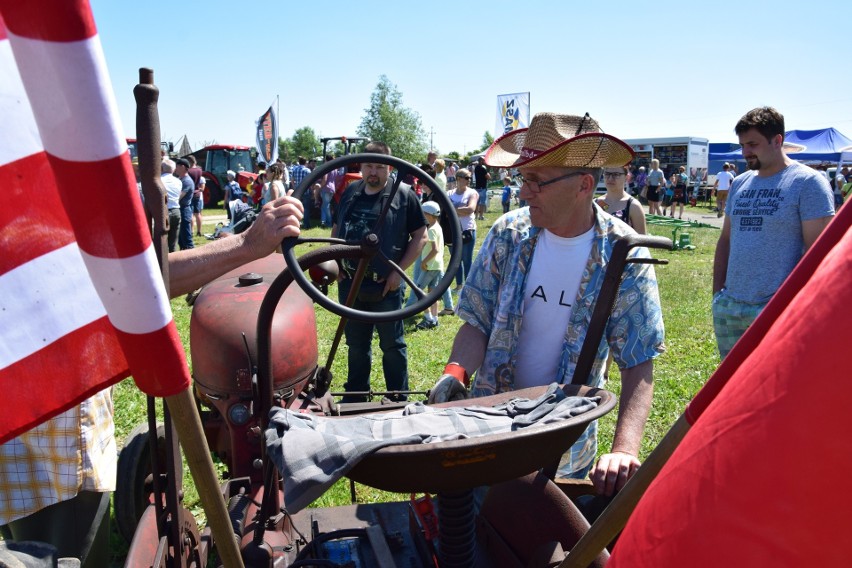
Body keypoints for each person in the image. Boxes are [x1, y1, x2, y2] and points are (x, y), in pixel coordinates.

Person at [0, 193, 304, 567]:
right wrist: (246, 244)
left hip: (19, 440)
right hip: (49, 452)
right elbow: (126, 283)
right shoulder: (33, 216)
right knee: (61, 555)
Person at [428, 112, 664, 499]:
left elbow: (639, 359)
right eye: (524, 179)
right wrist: (455, 372)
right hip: (488, 424)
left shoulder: (623, 253)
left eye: (537, 181)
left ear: (584, 185)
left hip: (563, 441)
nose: (524, 192)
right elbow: (477, 322)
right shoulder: (509, 233)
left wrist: (623, 450)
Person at [712, 106, 834, 359]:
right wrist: (718, 295)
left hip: (777, 308)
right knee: (731, 385)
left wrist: (792, 307)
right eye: (743, 145)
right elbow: (726, 240)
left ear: (777, 140)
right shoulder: (741, 182)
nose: (745, 152)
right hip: (730, 306)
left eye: (753, 144)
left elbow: (819, 254)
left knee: (774, 387)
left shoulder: (808, 183)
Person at [332, 141, 427, 403]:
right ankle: (355, 395)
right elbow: (337, 229)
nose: (373, 172)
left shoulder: (404, 195)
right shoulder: (351, 191)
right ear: (361, 166)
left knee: (392, 345)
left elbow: (420, 235)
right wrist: (335, 262)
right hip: (350, 283)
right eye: (368, 166)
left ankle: (398, 397)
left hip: (386, 285)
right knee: (356, 344)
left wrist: (399, 272)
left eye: (379, 166)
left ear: (389, 167)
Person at [412, 201, 446, 330]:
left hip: (430, 265)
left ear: (430, 215)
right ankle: (435, 319)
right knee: (432, 294)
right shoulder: (437, 226)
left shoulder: (431, 230)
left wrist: (423, 261)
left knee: (419, 292)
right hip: (437, 265)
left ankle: (428, 318)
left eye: (423, 214)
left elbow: (435, 250)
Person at [448, 167, 479, 292]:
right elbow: (444, 209)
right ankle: (459, 285)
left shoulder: (472, 193)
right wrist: (460, 209)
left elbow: (470, 209)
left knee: (467, 260)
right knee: (456, 260)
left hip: (467, 231)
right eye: (467, 178)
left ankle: (468, 286)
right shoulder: (449, 193)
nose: (469, 180)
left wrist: (452, 209)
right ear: (459, 179)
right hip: (452, 232)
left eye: (470, 178)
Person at [596, 164, 647, 233]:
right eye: (607, 174)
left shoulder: (633, 206)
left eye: (616, 174)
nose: (610, 178)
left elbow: (642, 240)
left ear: (626, 177)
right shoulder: (596, 203)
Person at [161, 158, 183, 252]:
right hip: (176, 210)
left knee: (162, 240)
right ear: (173, 170)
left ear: (161, 168)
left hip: (164, 211)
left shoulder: (160, 181)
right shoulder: (178, 181)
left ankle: (163, 263)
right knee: (173, 241)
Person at [174, 158, 195, 250]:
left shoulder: (187, 181)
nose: (175, 169)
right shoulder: (180, 179)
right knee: (181, 240)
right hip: (181, 210)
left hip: (184, 210)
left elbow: (178, 197)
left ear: (183, 167)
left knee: (186, 239)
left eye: (177, 166)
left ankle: (193, 260)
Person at [319, 154, 341, 228]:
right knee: (325, 205)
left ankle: (329, 222)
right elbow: (337, 179)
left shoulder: (327, 168)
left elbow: (324, 179)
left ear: (326, 159)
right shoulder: (335, 169)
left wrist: (320, 187)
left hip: (326, 188)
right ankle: (323, 220)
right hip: (332, 188)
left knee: (326, 206)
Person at [290, 157, 313, 229]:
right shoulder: (307, 170)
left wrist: (294, 188)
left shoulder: (294, 169)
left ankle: (296, 223)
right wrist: (312, 190)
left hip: (298, 191)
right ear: (305, 162)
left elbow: (292, 180)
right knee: (306, 208)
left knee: (297, 208)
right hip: (306, 191)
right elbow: (310, 181)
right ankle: (306, 224)